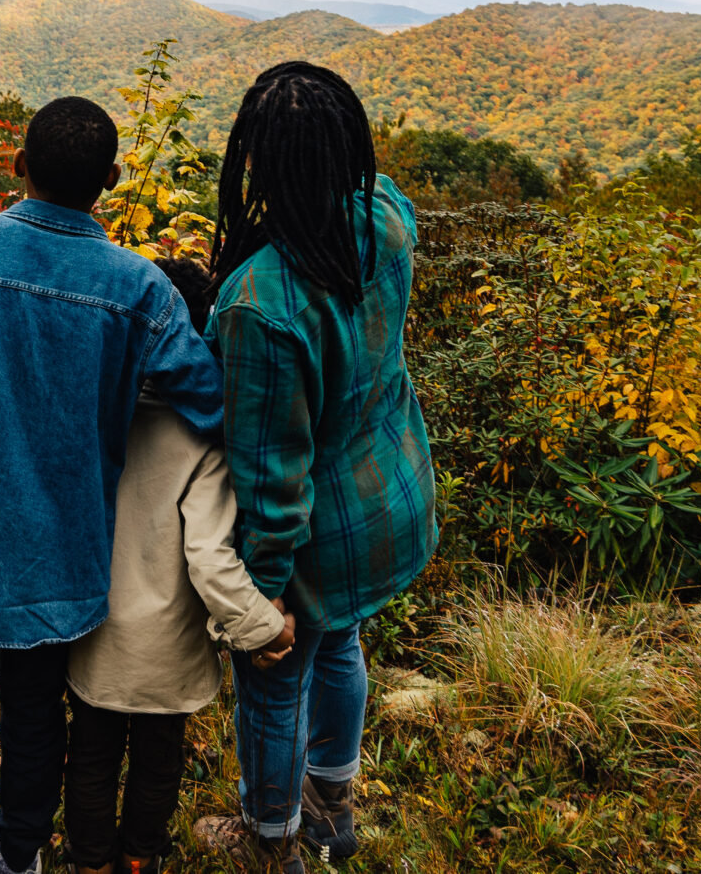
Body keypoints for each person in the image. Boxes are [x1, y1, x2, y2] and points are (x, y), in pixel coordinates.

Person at [0, 96, 227, 874]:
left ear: (17, 165)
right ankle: (20, 853)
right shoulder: (140, 290)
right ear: (110, 178)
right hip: (61, 558)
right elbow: (209, 397)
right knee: (37, 715)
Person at [193, 61, 438, 873]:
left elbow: (272, 479)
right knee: (340, 645)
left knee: (274, 678)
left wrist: (260, 599)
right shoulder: (386, 220)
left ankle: (271, 839)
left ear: (257, 161)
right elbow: (391, 188)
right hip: (389, 497)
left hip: (317, 538)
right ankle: (333, 807)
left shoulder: (258, 301)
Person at [63, 256, 297, 874]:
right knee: (157, 758)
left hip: (94, 628)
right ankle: (141, 858)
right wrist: (263, 628)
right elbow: (208, 556)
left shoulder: (92, 414)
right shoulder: (203, 437)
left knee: (90, 755)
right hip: (167, 644)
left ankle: (90, 862)